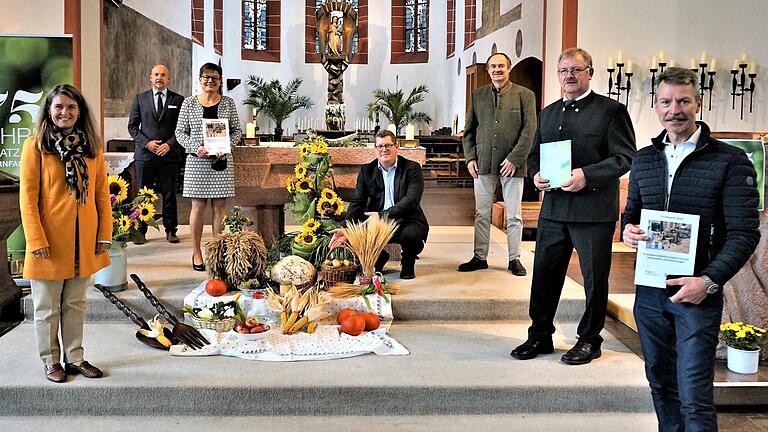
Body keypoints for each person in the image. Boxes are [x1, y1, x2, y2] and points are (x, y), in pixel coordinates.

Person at [622, 67, 760, 431]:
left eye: (683, 101)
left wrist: (709, 282)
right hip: (651, 293)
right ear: (656, 106)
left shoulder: (729, 161)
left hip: (697, 295)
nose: (675, 110)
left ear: (698, 103)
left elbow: (746, 233)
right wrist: (628, 232)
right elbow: (631, 213)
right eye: (666, 102)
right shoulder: (643, 159)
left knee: (695, 395)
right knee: (661, 385)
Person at [511, 47, 636, 365]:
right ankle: (539, 334)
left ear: (590, 73)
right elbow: (535, 152)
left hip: (593, 211)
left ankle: (589, 339)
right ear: (558, 75)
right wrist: (536, 172)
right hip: (554, 208)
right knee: (544, 275)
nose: (569, 76)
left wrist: (587, 175)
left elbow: (624, 158)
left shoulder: (611, 111)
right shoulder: (550, 112)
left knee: (594, 279)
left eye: (577, 70)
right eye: (564, 70)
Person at [19, 84, 111, 383]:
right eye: (58, 107)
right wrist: (35, 239)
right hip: (48, 240)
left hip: (83, 239)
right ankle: (50, 360)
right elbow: (28, 198)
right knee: (46, 307)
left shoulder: (92, 147)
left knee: (75, 303)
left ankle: (75, 357)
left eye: (71, 107)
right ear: (48, 110)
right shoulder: (36, 146)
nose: (64, 112)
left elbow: (100, 195)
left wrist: (103, 234)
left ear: (79, 111)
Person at [459, 52, 537, 276]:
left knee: (514, 215)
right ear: (488, 70)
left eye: (501, 66)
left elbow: (529, 130)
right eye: (493, 66)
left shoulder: (525, 95)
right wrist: (470, 158)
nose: (497, 70)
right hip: (483, 162)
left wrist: (515, 158)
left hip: (513, 164)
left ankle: (514, 259)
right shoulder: (478, 95)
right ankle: (479, 256)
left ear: (509, 68)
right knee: (481, 213)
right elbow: (469, 130)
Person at [329, 129, 429, 279]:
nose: (384, 150)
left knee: (412, 235)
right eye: (380, 146)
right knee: (354, 232)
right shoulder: (366, 171)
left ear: (396, 147)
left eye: (388, 145)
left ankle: (408, 261)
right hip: (376, 221)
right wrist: (346, 229)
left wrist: (382, 216)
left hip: (406, 219)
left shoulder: (412, 168)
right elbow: (358, 201)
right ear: (375, 149)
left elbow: (411, 201)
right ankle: (379, 257)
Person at [175, 63, 242, 271]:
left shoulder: (229, 103)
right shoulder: (188, 103)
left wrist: (227, 146)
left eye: (214, 77)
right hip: (197, 161)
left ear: (220, 81)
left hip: (221, 161)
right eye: (206, 77)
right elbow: (180, 133)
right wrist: (196, 147)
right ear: (199, 79)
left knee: (219, 208)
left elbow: (237, 131)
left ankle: (217, 252)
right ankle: (196, 252)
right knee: (198, 207)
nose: (210, 81)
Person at [127, 64, 185, 244]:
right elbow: (132, 127)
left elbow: (182, 128)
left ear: (169, 79)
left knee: (169, 193)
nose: (159, 78)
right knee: (144, 194)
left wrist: (169, 145)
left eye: (163, 75)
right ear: (150, 78)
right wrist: (147, 144)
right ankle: (140, 230)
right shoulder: (140, 98)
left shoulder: (178, 100)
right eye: (156, 74)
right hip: (145, 155)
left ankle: (170, 229)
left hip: (168, 155)